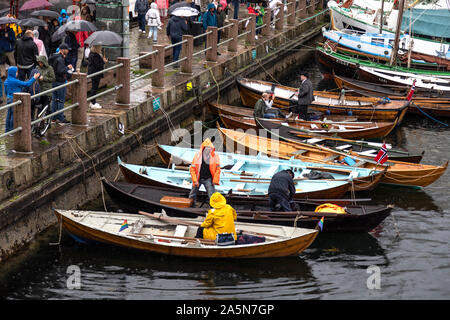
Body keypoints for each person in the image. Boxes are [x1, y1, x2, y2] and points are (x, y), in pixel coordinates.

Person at [4, 66, 40, 133]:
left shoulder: (7, 80)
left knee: (8, 114)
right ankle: (12, 130)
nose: (17, 73)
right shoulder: (15, 81)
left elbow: (5, 91)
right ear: (13, 73)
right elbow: (27, 84)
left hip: (8, 98)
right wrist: (34, 78)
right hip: (14, 99)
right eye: (16, 72)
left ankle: (7, 130)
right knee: (13, 115)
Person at [189, 138, 221, 206]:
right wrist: (195, 180)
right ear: (203, 148)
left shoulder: (215, 156)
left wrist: (215, 180)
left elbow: (218, 169)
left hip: (208, 179)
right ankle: (191, 206)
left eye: (210, 148)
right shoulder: (197, 156)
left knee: (212, 195)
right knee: (192, 194)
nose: (209, 149)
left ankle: (213, 209)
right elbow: (192, 169)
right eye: (207, 148)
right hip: (198, 178)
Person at [48, 43, 73, 124]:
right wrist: (67, 68)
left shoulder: (52, 57)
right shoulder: (60, 59)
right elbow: (60, 71)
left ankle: (53, 117)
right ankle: (61, 117)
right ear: (62, 50)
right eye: (67, 49)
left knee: (55, 99)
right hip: (60, 81)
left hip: (53, 81)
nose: (68, 51)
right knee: (61, 100)